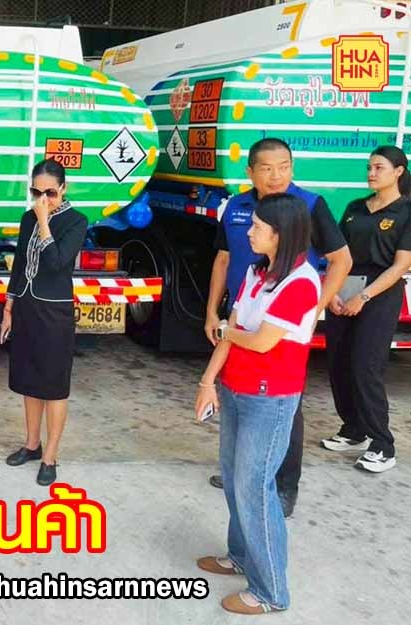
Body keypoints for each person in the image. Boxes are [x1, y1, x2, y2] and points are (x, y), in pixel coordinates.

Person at [203, 138, 351, 515]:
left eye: (284, 167)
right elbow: (223, 260)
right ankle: (246, 471)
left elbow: (341, 260)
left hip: (280, 324)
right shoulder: (236, 207)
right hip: (242, 314)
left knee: (282, 407)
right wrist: (211, 313)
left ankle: (284, 486)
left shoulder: (309, 206)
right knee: (237, 396)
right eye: (267, 168)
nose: (276, 175)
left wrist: (312, 309)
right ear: (250, 172)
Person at [194, 193, 320, 615]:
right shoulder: (256, 272)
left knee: (255, 489)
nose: (249, 233)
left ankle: (270, 592)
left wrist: (228, 330)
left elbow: (262, 341)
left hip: (271, 398)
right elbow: (234, 331)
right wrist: (208, 381)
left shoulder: (301, 282)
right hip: (235, 389)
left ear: (280, 235)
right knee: (235, 481)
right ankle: (240, 556)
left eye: (258, 228)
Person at [322, 146, 411, 473]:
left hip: (380, 292)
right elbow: (338, 255)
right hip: (345, 286)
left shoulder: (406, 211)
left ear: (398, 171)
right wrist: (332, 292)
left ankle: (383, 445)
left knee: (365, 366)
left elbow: (401, 265)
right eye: (369, 167)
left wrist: (364, 296)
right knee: (339, 362)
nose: (371, 173)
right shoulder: (355, 207)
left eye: (379, 168)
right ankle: (353, 430)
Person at [1, 159, 88, 487]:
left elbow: (57, 263)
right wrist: (9, 305)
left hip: (54, 312)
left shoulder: (76, 221)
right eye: (36, 192)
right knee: (29, 379)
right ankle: (31, 443)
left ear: (63, 189)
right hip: (26, 305)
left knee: (54, 385)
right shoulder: (28, 218)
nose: (42, 199)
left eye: (50, 193)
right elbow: (19, 264)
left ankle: (50, 456)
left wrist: (44, 222)